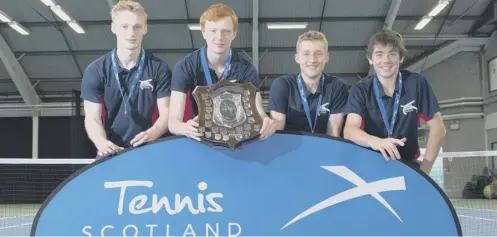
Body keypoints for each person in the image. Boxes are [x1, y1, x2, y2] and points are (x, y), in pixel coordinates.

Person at [343, 29, 446, 175]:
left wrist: (425, 171)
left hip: (408, 166)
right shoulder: (360, 89)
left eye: (392, 53)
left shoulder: (416, 83)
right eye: (379, 54)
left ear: (401, 58)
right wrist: (377, 142)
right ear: (370, 59)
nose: (386, 60)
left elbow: (438, 128)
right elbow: (350, 130)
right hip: (369, 169)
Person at [168, 3, 276, 141]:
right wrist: (185, 128)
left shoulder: (246, 69)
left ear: (234, 34)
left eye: (226, 31)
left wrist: (266, 121)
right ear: (203, 32)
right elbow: (173, 123)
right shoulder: (185, 67)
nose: (219, 37)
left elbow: (259, 110)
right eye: (213, 31)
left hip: (236, 139)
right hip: (202, 137)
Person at [81, 0, 171, 158]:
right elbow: (92, 118)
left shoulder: (159, 68)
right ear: (113, 28)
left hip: (148, 150)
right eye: (124, 26)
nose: (131, 33)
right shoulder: (96, 70)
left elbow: (166, 114)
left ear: (145, 29)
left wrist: (152, 134)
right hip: (110, 152)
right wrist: (101, 142)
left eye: (137, 27)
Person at [268, 30, 349, 137]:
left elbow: (333, 133)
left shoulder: (337, 87)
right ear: (297, 58)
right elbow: (278, 131)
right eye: (306, 53)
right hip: (290, 148)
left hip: (323, 148)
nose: (312, 60)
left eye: (318, 53)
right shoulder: (282, 85)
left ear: (326, 57)